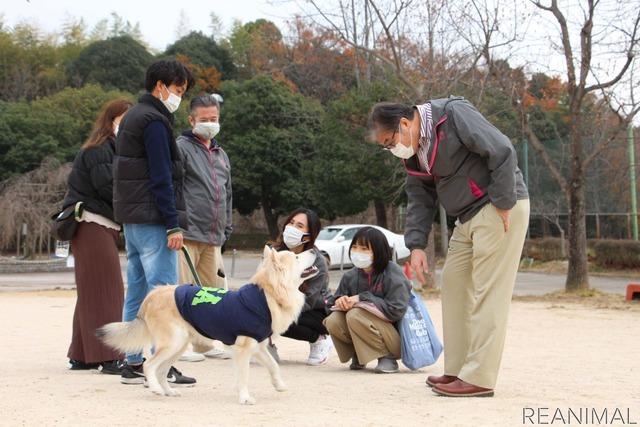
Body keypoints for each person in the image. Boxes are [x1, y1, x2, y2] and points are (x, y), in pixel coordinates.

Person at [368, 97, 530, 396]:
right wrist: (416, 245)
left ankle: (479, 377)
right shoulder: (414, 153)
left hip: (498, 205)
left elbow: (501, 149)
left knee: (488, 293)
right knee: (455, 285)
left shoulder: (453, 114)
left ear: (405, 124)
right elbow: (419, 196)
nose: (393, 150)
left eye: (391, 141)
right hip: (466, 216)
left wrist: (504, 202)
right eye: (386, 146)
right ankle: (458, 370)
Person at [113, 59, 196, 386]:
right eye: (177, 90)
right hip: (154, 218)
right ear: (160, 86)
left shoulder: (133, 115)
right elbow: (161, 177)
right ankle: (163, 363)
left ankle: (132, 361)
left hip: (132, 219)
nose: (179, 97)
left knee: (136, 291)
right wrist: (173, 224)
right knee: (164, 294)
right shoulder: (155, 122)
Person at [64, 99, 131, 375]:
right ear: (112, 119)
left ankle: (81, 354)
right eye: (125, 119)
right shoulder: (100, 149)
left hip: (97, 225)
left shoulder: (111, 148)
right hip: (91, 222)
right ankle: (108, 355)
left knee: (92, 291)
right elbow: (109, 188)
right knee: (107, 290)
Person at [176, 94, 233, 362]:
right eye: (205, 119)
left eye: (214, 119)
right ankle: (181, 344)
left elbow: (227, 193)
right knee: (183, 290)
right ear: (192, 120)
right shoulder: (181, 148)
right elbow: (175, 189)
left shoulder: (221, 154)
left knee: (213, 291)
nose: (210, 123)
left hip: (214, 235)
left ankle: (205, 343)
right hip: (187, 233)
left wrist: (227, 227)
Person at [324, 227, 411, 373]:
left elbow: (397, 310)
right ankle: (358, 353)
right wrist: (340, 301)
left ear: (378, 251)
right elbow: (331, 305)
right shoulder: (350, 276)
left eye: (364, 249)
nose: (358, 252)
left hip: (396, 339)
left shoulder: (392, 271)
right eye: (355, 247)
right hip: (367, 330)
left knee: (355, 314)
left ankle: (387, 357)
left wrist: (361, 299)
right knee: (333, 320)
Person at [269, 208, 334, 365]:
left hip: (314, 311)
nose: (292, 228)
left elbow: (310, 300)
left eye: (299, 226)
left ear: (310, 235)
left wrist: (280, 309)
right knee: (262, 310)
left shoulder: (317, 261)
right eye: (291, 223)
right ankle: (267, 345)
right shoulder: (275, 253)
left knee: (278, 316)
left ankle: (318, 339)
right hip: (283, 304)